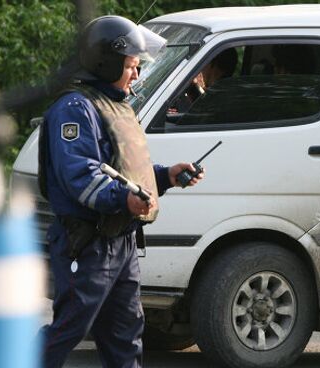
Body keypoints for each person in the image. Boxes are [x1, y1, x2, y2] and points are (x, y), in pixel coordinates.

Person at [37, 15, 204, 368]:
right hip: (87, 242)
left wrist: (166, 177)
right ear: (107, 62)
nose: (137, 75)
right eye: (131, 66)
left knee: (126, 334)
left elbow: (127, 173)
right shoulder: (76, 108)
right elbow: (80, 175)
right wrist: (122, 199)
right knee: (70, 328)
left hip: (121, 242)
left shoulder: (117, 106)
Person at [170, 48, 237, 113]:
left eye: (204, 63)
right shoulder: (229, 92)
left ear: (214, 65)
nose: (201, 69)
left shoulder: (220, 98)